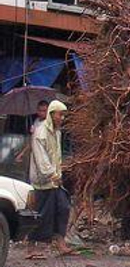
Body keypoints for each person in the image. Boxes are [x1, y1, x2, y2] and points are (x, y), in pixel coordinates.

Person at [26, 100, 72, 258]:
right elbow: (41, 159)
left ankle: (60, 241)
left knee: (63, 208)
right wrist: (52, 174)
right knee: (41, 214)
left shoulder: (57, 132)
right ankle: (31, 247)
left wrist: (58, 172)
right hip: (43, 180)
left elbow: (56, 155)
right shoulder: (40, 133)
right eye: (60, 114)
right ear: (52, 114)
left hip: (55, 179)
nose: (62, 118)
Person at [15, 99, 50, 172]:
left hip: (45, 158)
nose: (41, 113)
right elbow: (32, 140)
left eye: (44, 111)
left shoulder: (49, 125)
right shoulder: (36, 121)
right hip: (34, 158)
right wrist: (22, 153)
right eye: (40, 110)